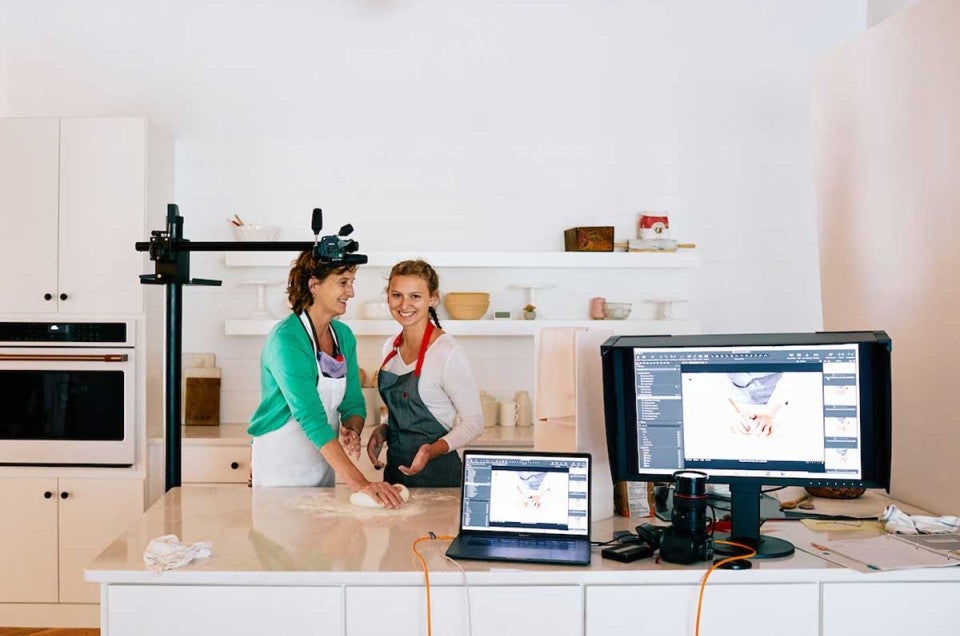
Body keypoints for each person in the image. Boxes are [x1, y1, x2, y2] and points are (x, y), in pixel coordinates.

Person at [248, 249, 404, 508]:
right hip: (280, 467)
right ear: (314, 285)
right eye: (343, 283)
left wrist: (353, 428)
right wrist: (360, 483)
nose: (351, 293)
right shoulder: (286, 339)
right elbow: (310, 417)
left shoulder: (343, 335)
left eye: (352, 283)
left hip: (323, 462)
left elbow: (353, 401)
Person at [367, 260, 483, 487]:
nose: (404, 304)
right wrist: (383, 431)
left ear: (433, 298)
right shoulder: (390, 347)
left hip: (440, 479)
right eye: (396, 295)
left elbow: (474, 422)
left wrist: (431, 450)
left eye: (415, 296)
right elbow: (402, 415)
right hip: (395, 480)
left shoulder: (447, 352)